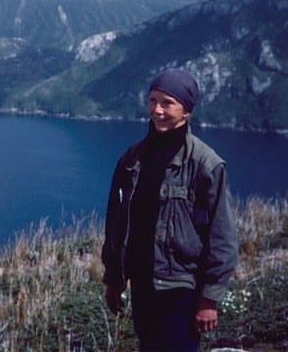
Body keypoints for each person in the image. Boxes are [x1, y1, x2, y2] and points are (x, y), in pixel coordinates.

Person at [101, 68, 238, 351]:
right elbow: (115, 222)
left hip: (181, 289)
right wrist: (114, 278)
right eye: (152, 100)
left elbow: (221, 235)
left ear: (186, 110)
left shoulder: (206, 164)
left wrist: (209, 299)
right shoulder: (131, 159)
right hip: (142, 282)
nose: (157, 110)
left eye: (167, 103)